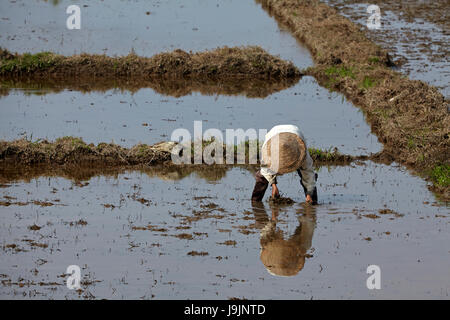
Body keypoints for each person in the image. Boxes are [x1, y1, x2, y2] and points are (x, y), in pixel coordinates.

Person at [251, 124, 318, 204]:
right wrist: (273, 185)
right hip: (274, 134)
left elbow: (309, 175)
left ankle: (313, 202)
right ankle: (255, 202)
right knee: (262, 177)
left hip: (294, 135)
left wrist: (309, 194)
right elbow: (266, 171)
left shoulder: (302, 154)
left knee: (308, 177)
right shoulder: (267, 153)